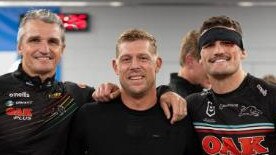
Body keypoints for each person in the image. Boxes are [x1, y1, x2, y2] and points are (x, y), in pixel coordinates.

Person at [0, 9, 186, 155]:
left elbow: (136, 93)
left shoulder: (75, 95)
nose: (44, 49)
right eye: (34, 40)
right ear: (19, 46)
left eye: (53, 42)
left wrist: (165, 92)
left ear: (62, 49)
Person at [66, 29, 202, 155]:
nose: (135, 66)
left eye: (143, 58)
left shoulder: (179, 117)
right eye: (126, 59)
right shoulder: (89, 117)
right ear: (115, 66)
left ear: (158, 64)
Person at [186, 15, 276, 154]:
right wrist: (164, 92)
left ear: (243, 52)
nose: (218, 51)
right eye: (209, 45)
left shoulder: (271, 98)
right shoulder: (192, 106)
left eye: (227, 42)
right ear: (200, 59)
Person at [169, 30, 210, 98]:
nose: (212, 69)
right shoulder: (178, 101)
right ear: (190, 61)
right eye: (208, 62)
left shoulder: (199, 93)